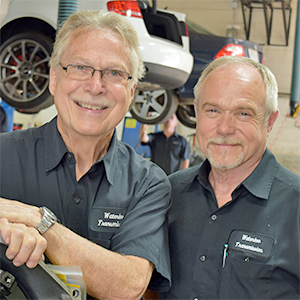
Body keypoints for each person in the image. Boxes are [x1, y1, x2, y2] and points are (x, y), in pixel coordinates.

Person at [0, 10, 172, 300]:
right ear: (54, 78)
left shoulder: (148, 184)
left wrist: (41, 224)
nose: (95, 85)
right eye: (80, 67)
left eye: (114, 73)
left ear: (131, 91)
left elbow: (127, 286)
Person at [160, 56, 300, 299]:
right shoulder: (167, 193)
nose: (224, 128)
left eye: (243, 113)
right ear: (196, 112)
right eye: (213, 110)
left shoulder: (295, 207)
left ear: (269, 121)